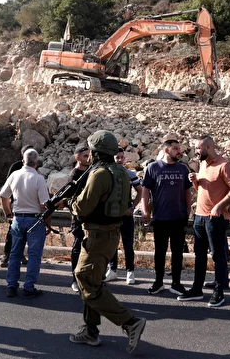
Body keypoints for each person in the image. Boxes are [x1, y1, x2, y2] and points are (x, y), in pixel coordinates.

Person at [69, 130, 146, 353]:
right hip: (110, 234)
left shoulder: (99, 174)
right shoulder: (121, 172)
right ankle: (90, 330)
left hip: (97, 236)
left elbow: (82, 207)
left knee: (85, 279)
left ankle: (129, 322)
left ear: (96, 152)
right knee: (93, 281)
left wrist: (71, 202)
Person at [180, 136, 230, 308]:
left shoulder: (225, 165)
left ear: (208, 147)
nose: (196, 152)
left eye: (198, 148)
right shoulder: (203, 164)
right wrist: (195, 182)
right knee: (199, 254)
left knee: (218, 255)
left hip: (215, 218)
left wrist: (219, 206)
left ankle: (219, 291)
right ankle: (196, 289)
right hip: (199, 216)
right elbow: (203, 189)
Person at [140, 139, 192, 296]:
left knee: (177, 252)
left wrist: (188, 210)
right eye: (175, 148)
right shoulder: (152, 168)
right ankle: (158, 282)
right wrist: (145, 211)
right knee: (160, 252)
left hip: (179, 218)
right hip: (160, 218)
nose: (179, 151)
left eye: (179, 148)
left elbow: (187, 191)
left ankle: (176, 283)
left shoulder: (183, 168)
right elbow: (145, 191)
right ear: (166, 150)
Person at [0, 148, 49, 298]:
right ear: (37, 162)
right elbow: (45, 205)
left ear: (23, 161)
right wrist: (47, 223)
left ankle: (11, 285)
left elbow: (3, 196)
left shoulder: (14, 175)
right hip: (35, 220)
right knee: (34, 255)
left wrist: (8, 214)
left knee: (15, 253)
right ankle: (29, 287)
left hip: (17, 218)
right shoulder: (39, 178)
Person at [105, 148, 143, 285]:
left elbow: (140, 191)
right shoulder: (107, 174)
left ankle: (130, 271)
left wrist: (132, 207)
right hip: (112, 214)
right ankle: (112, 270)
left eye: (122, 157)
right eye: (117, 157)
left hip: (126, 214)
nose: (120, 160)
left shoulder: (130, 174)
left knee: (128, 244)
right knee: (112, 243)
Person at [0, 145, 31, 268]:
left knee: (23, 232)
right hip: (16, 203)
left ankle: (20, 254)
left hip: (28, 204)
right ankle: (6, 255)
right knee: (12, 231)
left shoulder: (34, 166)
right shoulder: (16, 166)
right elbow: (8, 186)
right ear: (22, 153)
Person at [67, 144, 91, 292]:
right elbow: (71, 198)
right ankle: (75, 279)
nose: (88, 158)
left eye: (89, 155)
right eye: (85, 156)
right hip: (79, 218)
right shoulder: (74, 175)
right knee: (78, 247)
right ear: (77, 158)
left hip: (93, 218)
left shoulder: (92, 172)